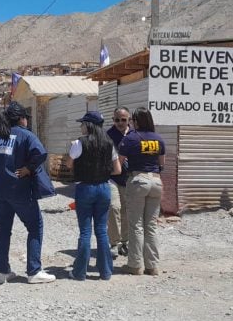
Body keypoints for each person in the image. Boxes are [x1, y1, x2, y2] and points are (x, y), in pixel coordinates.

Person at [0, 101, 56, 284]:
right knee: (35, 226)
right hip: (19, 189)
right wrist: (29, 168)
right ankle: (34, 271)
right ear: (21, 119)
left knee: (3, 229)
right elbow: (41, 153)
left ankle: (2, 272)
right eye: (26, 118)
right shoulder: (25, 135)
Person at [66, 111, 121, 281]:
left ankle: (79, 272)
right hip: (104, 188)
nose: (81, 126)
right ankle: (106, 272)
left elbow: (69, 164)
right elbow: (118, 170)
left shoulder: (78, 143)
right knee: (102, 231)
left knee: (85, 231)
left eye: (82, 123)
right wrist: (102, 171)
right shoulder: (109, 143)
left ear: (89, 125)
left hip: (85, 188)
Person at [118, 107, 166, 276]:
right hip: (156, 181)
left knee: (136, 225)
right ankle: (152, 266)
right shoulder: (158, 139)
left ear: (136, 121)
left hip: (138, 180)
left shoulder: (131, 138)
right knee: (151, 225)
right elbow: (162, 163)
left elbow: (119, 162)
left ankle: (135, 265)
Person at [106, 107, 132, 258]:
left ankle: (125, 242)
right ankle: (114, 243)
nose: (120, 122)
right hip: (113, 178)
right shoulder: (108, 135)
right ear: (113, 120)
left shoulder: (135, 134)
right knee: (114, 207)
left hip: (129, 178)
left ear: (129, 120)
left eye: (123, 119)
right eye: (117, 120)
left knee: (126, 211)